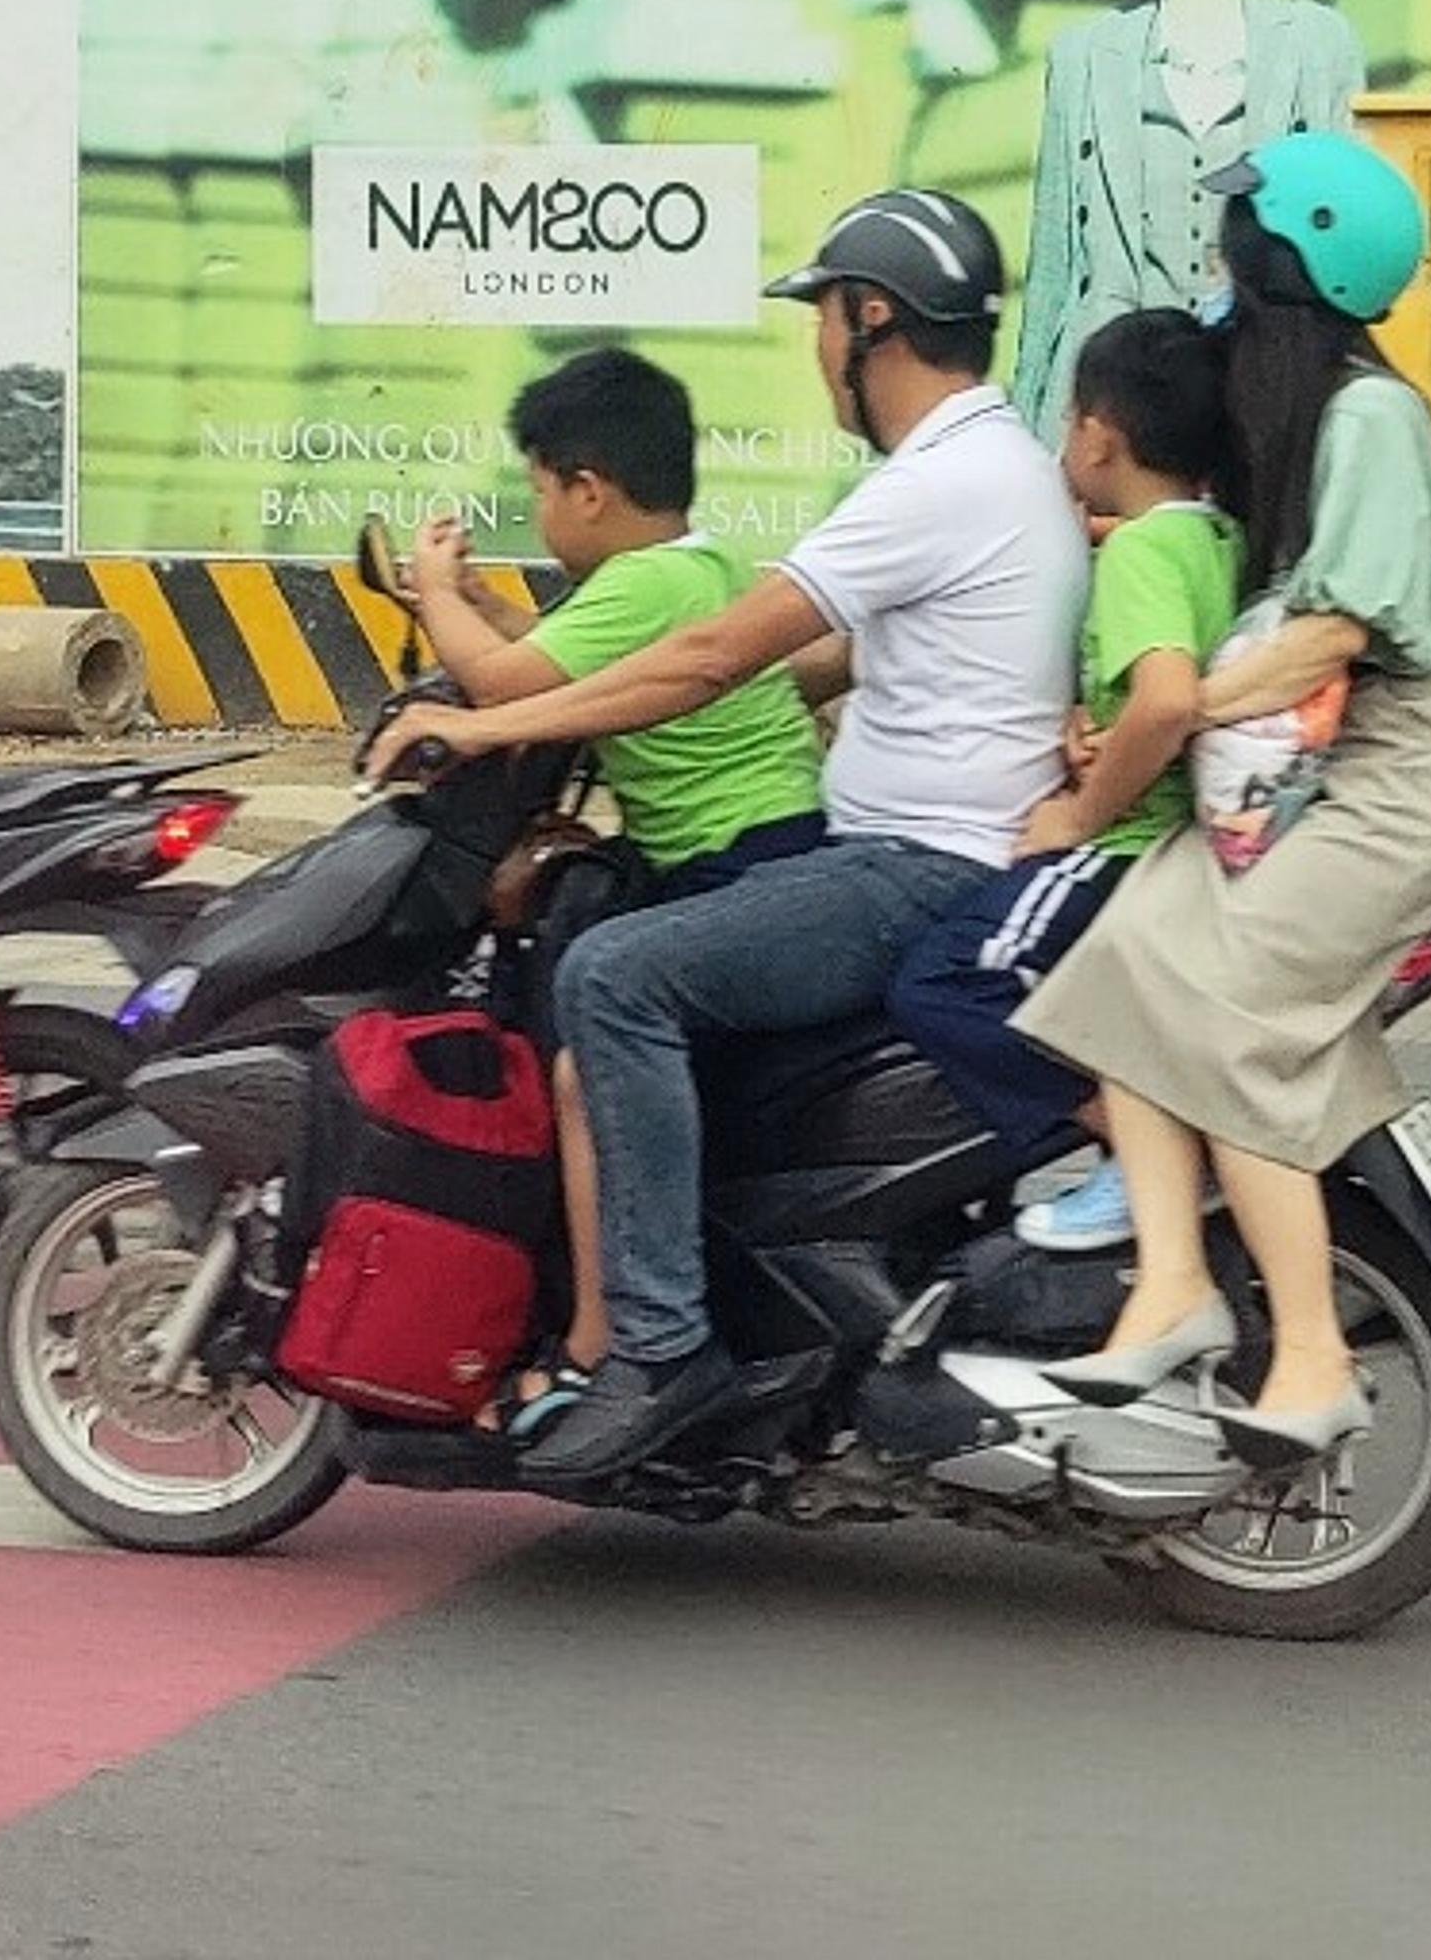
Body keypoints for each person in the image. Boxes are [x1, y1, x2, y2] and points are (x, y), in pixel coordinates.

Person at [358, 189, 1087, 1482]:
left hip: (910, 866)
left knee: (614, 974)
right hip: (931, 848)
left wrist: (471, 731)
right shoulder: (1006, 467)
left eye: (822, 317)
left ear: (871, 320)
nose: (817, 351)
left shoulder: (935, 480)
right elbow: (821, 665)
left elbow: (703, 661)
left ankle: (658, 1346)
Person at [1016, 130, 1431, 1467]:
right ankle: (1170, 1289)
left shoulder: (1372, 417)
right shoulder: (1290, 422)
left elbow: (1336, 637)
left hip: (1389, 784)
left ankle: (1313, 1355)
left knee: (1227, 1035)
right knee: (1118, 964)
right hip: (1302, 777)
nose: (1216, 271)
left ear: (1280, 263)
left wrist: (1176, 712)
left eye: (1235, 249)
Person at [386, 345, 831, 1427]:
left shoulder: (642, 585)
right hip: (776, 847)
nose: (538, 509)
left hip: (736, 862)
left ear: (589, 489)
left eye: (538, 489)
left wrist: (438, 592)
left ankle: (608, 1340)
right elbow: (557, 666)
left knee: (589, 1062)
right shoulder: (705, 569)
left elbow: (502, 689)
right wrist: (491, 605)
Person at [885, 308, 1239, 1175]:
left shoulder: (1141, 557)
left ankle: (1127, 1141)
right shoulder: (1217, 537)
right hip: (1178, 846)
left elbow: (1164, 703)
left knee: (943, 981)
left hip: (1120, 846)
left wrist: (1079, 814)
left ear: (1097, 434)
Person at [1007, 0, 1365, 442]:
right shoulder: (1084, 55)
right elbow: (1052, 274)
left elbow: (1338, 256)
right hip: (1111, 416)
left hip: (1258, 408)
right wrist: (1027, 438)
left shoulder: (1316, 45)